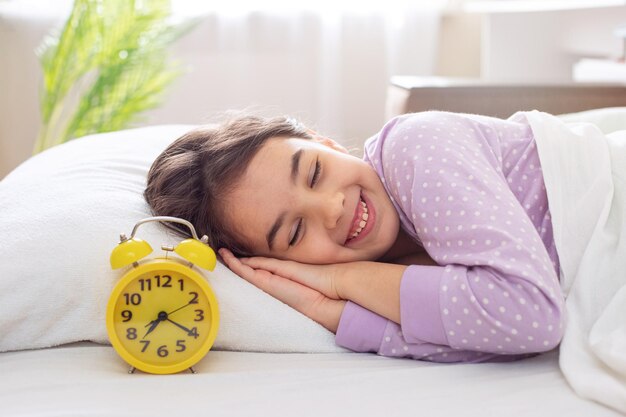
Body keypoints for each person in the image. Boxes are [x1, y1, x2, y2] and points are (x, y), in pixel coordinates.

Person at [144, 110, 565, 363]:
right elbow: (504, 341)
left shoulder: (414, 146)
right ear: (285, 266)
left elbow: (528, 317)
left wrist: (338, 282)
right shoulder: (388, 276)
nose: (332, 208)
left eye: (314, 171)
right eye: (294, 232)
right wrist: (330, 312)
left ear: (326, 143)